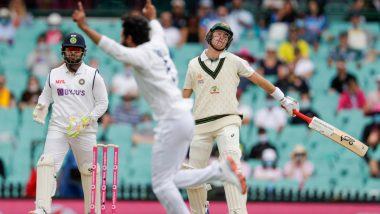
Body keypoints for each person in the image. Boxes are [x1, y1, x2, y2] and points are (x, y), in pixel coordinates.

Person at [72, 1, 247, 214]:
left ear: (129, 38)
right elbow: (155, 26)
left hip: (172, 120)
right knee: (170, 178)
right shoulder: (158, 43)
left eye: (122, 35)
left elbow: (114, 50)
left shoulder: (141, 55)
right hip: (183, 117)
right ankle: (220, 171)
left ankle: (219, 171)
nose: (120, 39)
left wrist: (84, 27)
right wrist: (152, 16)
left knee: (161, 184)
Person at [183, 22, 299, 213]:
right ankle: (199, 210)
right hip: (200, 125)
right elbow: (185, 95)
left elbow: (258, 79)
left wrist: (282, 98)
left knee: (232, 165)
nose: (221, 38)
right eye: (218, 34)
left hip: (227, 120)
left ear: (229, 42)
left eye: (226, 36)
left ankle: (238, 211)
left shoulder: (234, 60)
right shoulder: (193, 64)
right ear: (209, 36)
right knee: (193, 174)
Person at [28, 32, 109, 214]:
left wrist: (87, 120)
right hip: (59, 128)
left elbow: (103, 103)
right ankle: (42, 208)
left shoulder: (93, 75)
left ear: (83, 52)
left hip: (85, 130)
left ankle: (93, 210)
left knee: (89, 170)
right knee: (46, 163)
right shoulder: (54, 74)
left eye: (76, 50)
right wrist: (41, 107)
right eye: (69, 50)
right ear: (63, 51)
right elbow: (46, 96)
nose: (73, 53)